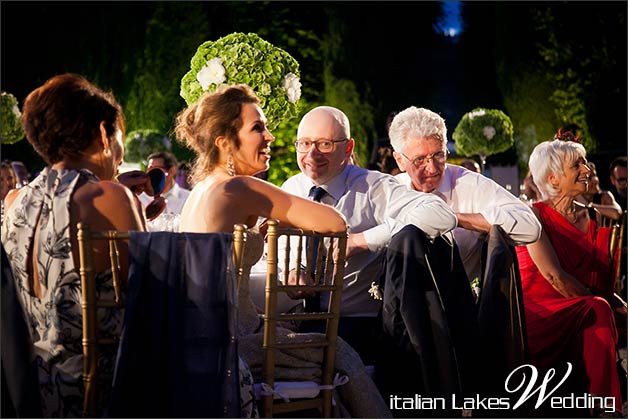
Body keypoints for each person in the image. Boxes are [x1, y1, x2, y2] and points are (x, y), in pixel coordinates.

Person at [175, 85, 392, 418]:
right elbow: (334, 223)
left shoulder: (201, 189)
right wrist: (287, 221)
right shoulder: (239, 187)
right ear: (224, 141)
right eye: (258, 128)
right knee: (339, 353)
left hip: (198, 337)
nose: (271, 136)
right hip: (234, 341)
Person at [0, 73, 147, 417]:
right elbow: (150, 302)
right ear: (102, 134)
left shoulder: (16, 200)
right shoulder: (111, 197)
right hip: (95, 389)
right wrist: (122, 199)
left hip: (29, 387)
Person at [281, 105, 458, 365]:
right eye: (304, 143)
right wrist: (295, 270)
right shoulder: (291, 187)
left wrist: (362, 240)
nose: (312, 154)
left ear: (348, 148)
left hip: (358, 329)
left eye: (325, 144)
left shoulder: (373, 187)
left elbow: (442, 215)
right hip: (295, 321)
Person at [515, 138, 625, 416]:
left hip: (580, 303)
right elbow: (555, 277)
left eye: (585, 162)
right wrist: (605, 303)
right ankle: (602, 406)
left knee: (601, 308)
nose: (587, 170)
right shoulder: (533, 216)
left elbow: (599, 279)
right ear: (552, 177)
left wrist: (617, 303)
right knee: (598, 309)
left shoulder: (592, 216)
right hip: (542, 315)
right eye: (577, 165)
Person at [388, 106, 542, 284]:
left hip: (456, 304)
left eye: (438, 155)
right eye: (420, 160)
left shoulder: (468, 184)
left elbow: (530, 227)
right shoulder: (391, 190)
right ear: (400, 160)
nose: (432, 168)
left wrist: (455, 219)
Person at [138, 151, 191, 231]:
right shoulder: (140, 199)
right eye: (149, 169)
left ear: (172, 171)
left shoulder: (188, 198)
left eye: (156, 169)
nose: (151, 173)